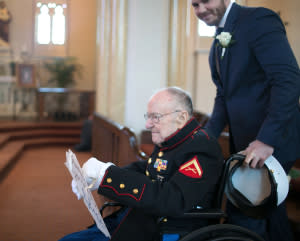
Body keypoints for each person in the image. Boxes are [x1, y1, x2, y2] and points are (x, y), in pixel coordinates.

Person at [191, 1, 300, 241]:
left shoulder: (258, 20)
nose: (199, 10)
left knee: (246, 214)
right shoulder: (219, 38)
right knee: (269, 215)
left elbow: (287, 80)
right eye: (194, 4)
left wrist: (266, 139)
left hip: (272, 141)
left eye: (205, 1)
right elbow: (225, 95)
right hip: (246, 142)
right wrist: (206, 136)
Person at [59, 87, 224, 241]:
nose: (147, 125)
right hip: (139, 219)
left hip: (164, 230)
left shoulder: (202, 147)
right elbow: (149, 168)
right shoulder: (176, 138)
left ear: (181, 117)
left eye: (155, 117)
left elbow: (173, 199)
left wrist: (107, 174)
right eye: (148, 116)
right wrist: (102, 174)